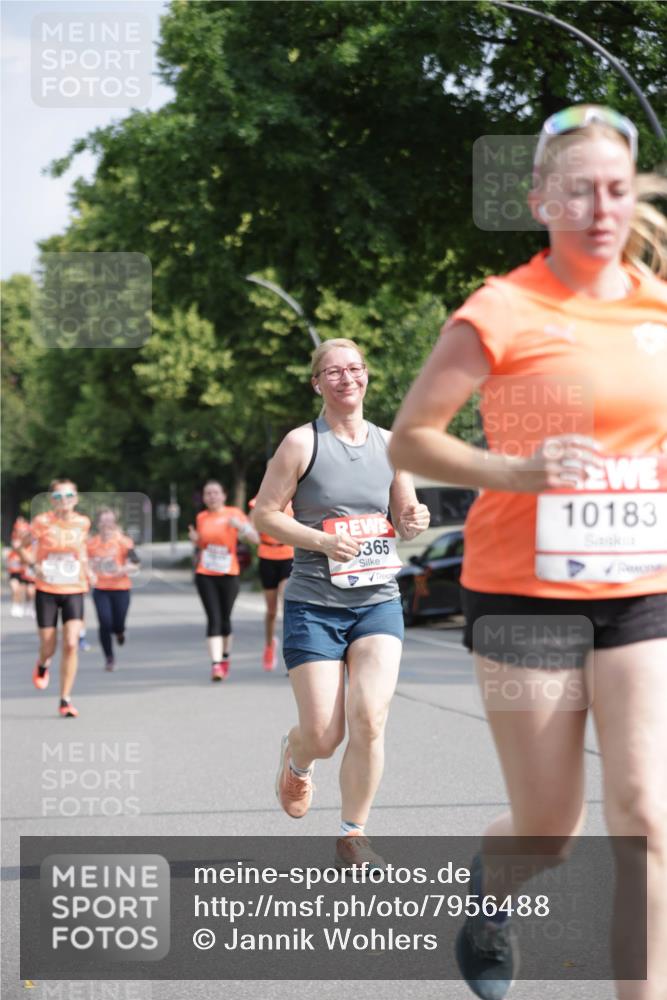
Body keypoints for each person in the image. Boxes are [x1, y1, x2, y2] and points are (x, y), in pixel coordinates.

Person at [389, 106, 667, 1000]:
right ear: (540, 199)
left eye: (616, 190)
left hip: (641, 585)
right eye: (579, 190)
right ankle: (490, 890)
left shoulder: (659, 308)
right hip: (521, 594)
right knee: (552, 828)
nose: (599, 208)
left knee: (646, 820)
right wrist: (518, 470)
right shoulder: (500, 308)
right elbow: (412, 441)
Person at [253, 337, 430, 865]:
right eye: (333, 372)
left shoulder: (393, 445)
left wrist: (414, 520)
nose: (346, 378)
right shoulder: (300, 444)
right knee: (324, 735)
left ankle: (354, 833)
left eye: (354, 369)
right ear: (317, 383)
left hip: (377, 599)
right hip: (314, 602)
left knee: (370, 716)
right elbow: (265, 514)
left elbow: (405, 516)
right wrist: (322, 541)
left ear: (367, 376)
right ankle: (297, 758)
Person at [19, 480, 93, 718]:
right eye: (59, 497)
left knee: (71, 643)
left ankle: (65, 699)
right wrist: (34, 565)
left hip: (74, 588)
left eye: (69, 495)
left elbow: (81, 550)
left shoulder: (83, 523)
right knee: (49, 647)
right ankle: (42, 663)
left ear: (76, 498)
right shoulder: (42, 522)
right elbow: (20, 546)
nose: (65, 500)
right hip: (47, 588)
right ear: (52, 500)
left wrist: (88, 569)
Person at [188, 481, 259, 681]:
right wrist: (196, 540)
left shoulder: (234, 513)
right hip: (205, 574)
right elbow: (203, 543)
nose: (211, 496)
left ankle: (225, 657)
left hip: (229, 574)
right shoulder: (201, 517)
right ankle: (216, 665)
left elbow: (255, 538)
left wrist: (241, 527)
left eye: (215, 493)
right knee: (214, 619)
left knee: (226, 619)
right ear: (203, 498)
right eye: (207, 493)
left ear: (223, 495)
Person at [248, 481, 294, 671]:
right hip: (267, 556)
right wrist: (250, 532)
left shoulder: (294, 499)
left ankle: (291, 650)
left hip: (288, 554)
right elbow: (251, 527)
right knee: (271, 611)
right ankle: (269, 645)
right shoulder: (260, 500)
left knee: (286, 601)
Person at [87, 508, 140, 670]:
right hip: (101, 588)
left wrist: (123, 570)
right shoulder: (91, 544)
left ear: (115, 523)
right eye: (104, 521)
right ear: (98, 523)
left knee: (118, 622)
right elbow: (85, 563)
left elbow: (135, 563)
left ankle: (120, 632)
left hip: (121, 588)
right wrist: (90, 573)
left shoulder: (124, 541)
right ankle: (109, 658)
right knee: (104, 622)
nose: (107, 524)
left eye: (110, 521)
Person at [7, 515, 30, 617]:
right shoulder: (15, 539)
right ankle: (15, 606)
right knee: (14, 588)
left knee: (24, 591)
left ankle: (24, 605)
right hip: (14, 571)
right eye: (18, 530)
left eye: (23, 531)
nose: (20, 532)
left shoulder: (29, 543)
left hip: (24, 571)